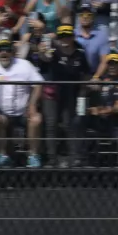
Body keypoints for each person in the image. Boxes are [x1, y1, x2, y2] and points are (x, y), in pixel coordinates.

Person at [0, 36, 43, 166]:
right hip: (2, 112)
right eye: (1, 50)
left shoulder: (24, 65)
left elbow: (38, 84)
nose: (4, 53)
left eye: (7, 50)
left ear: (12, 52)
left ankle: (33, 156)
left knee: (36, 119)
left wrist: (32, 105)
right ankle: (2, 156)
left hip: (23, 112)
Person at [37, 24, 89, 164]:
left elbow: (85, 73)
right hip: (52, 92)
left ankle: (74, 157)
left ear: (72, 37)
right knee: (51, 124)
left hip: (71, 92)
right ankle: (51, 158)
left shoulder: (80, 52)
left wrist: (83, 92)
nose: (64, 39)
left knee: (69, 124)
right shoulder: (52, 51)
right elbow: (45, 60)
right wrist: (42, 53)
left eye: (67, 36)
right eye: (61, 36)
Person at [86, 53, 118, 160]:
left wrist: (99, 111)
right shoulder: (102, 82)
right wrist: (91, 110)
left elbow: (116, 108)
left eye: (115, 64)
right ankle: (90, 160)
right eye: (110, 64)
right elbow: (95, 103)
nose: (112, 66)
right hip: (101, 119)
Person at [75, 1, 108, 74]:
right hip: (75, 77)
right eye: (82, 14)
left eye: (88, 14)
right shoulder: (72, 35)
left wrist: (96, 78)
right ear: (78, 17)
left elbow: (104, 61)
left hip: (94, 75)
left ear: (93, 17)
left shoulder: (101, 35)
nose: (85, 17)